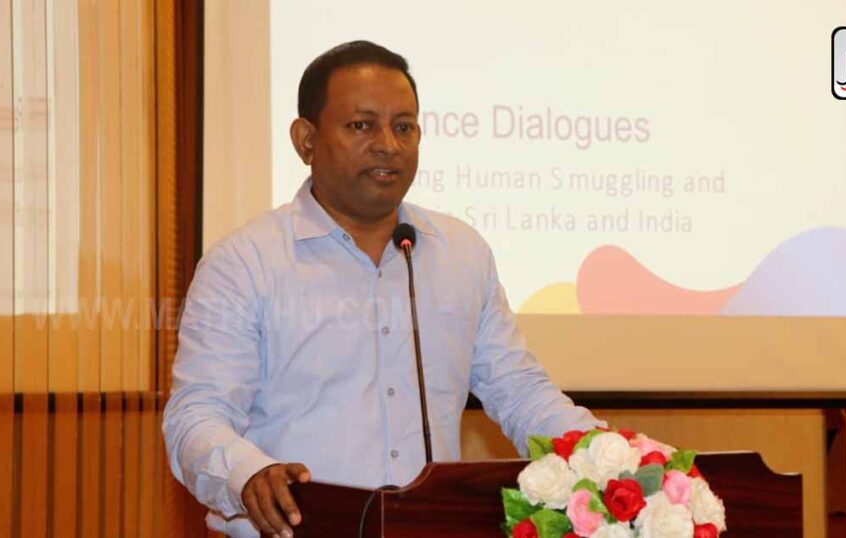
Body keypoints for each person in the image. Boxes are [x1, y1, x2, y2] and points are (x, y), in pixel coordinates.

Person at [163, 40, 602, 537]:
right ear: (306, 140)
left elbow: (519, 392)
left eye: (404, 127)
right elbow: (196, 415)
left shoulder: (460, 252)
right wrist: (248, 473)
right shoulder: (244, 264)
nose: (388, 145)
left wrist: (612, 457)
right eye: (361, 125)